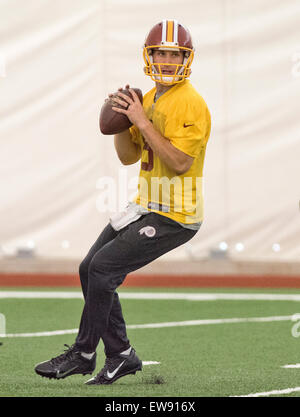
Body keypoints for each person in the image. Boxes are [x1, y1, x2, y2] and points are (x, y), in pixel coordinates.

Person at [34, 19, 211, 385]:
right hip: (146, 205)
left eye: (173, 54)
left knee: (103, 269)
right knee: (89, 268)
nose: (166, 61)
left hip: (176, 215)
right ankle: (121, 355)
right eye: (160, 53)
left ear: (185, 58)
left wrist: (143, 122)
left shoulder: (191, 103)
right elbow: (129, 157)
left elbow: (179, 163)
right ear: (150, 56)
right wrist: (119, 123)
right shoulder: (147, 98)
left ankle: (83, 354)